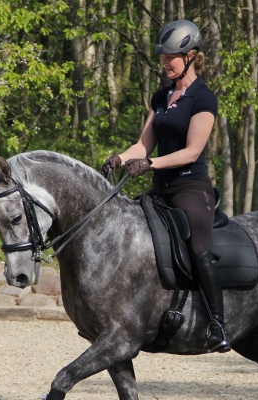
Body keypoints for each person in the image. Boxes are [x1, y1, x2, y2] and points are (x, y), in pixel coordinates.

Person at [102, 19, 229, 352]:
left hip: (191, 188)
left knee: (200, 247)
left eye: (170, 57)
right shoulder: (162, 96)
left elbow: (192, 151)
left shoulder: (203, 98)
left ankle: (218, 324)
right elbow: (142, 146)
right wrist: (119, 158)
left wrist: (151, 163)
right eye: (162, 58)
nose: (164, 63)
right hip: (160, 189)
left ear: (190, 56)